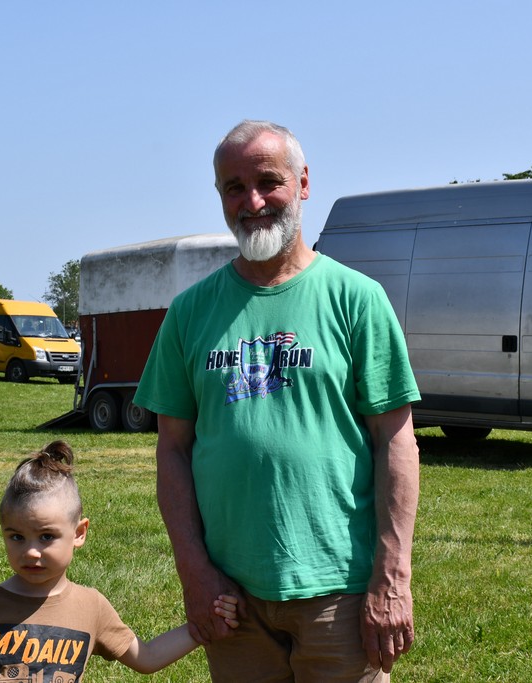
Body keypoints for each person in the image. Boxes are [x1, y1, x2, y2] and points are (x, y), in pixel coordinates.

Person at [133, 120, 422, 682]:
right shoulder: (190, 312)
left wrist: (392, 577)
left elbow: (397, 439)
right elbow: (172, 450)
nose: (254, 201)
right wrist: (195, 572)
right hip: (231, 597)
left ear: (304, 182)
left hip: (339, 589)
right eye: (234, 188)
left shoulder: (357, 299)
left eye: (269, 181)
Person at [0, 440, 239, 682]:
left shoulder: (90, 606)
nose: (30, 551)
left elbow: (145, 657)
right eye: (16, 537)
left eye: (46, 537)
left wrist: (205, 622)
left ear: (79, 533)